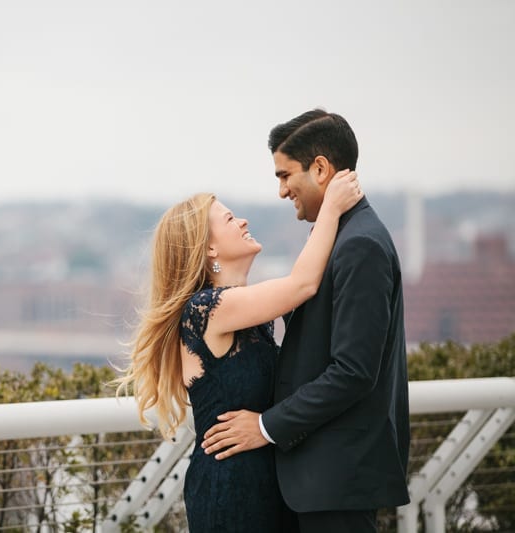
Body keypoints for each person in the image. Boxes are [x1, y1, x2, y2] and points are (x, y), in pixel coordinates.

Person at [114, 168, 363, 532]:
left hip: (267, 483)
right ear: (209, 247)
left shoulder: (243, 312)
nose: (243, 220)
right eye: (230, 218)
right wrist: (332, 208)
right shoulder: (206, 309)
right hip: (229, 491)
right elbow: (303, 284)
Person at [201, 109, 411, 533]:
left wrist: (265, 426)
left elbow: (353, 372)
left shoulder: (360, 245)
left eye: (284, 175)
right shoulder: (342, 236)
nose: (281, 191)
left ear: (320, 169)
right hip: (316, 480)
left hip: (336, 478)